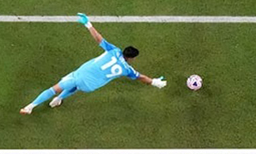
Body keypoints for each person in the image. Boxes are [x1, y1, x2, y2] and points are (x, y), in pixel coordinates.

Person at [20, 13, 166, 114]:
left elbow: (98, 38)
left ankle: (30, 106)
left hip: (80, 74)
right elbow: (141, 77)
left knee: (54, 88)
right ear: (132, 58)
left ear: (124, 50)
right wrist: (154, 82)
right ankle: (58, 100)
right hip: (90, 86)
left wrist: (87, 23)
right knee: (76, 87)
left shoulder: (114, 50)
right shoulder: (127, 69)